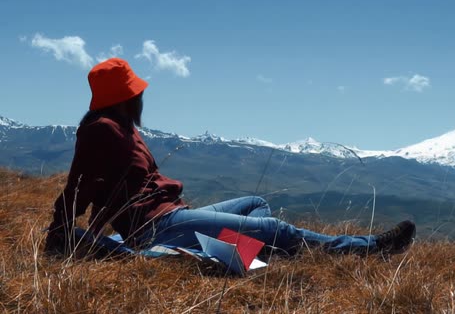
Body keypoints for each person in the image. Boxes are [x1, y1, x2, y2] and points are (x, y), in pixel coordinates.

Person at [44, 58, 416, 258]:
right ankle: (370, 248)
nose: (142, 97)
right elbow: (79, 186)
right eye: (136, 91)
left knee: (256, 203)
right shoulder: (101, 129)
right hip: (156, 227)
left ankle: (239, 254)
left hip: (171, 216)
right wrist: (61, 234)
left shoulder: (123, 127)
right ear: (126, 96)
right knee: (277, 230)